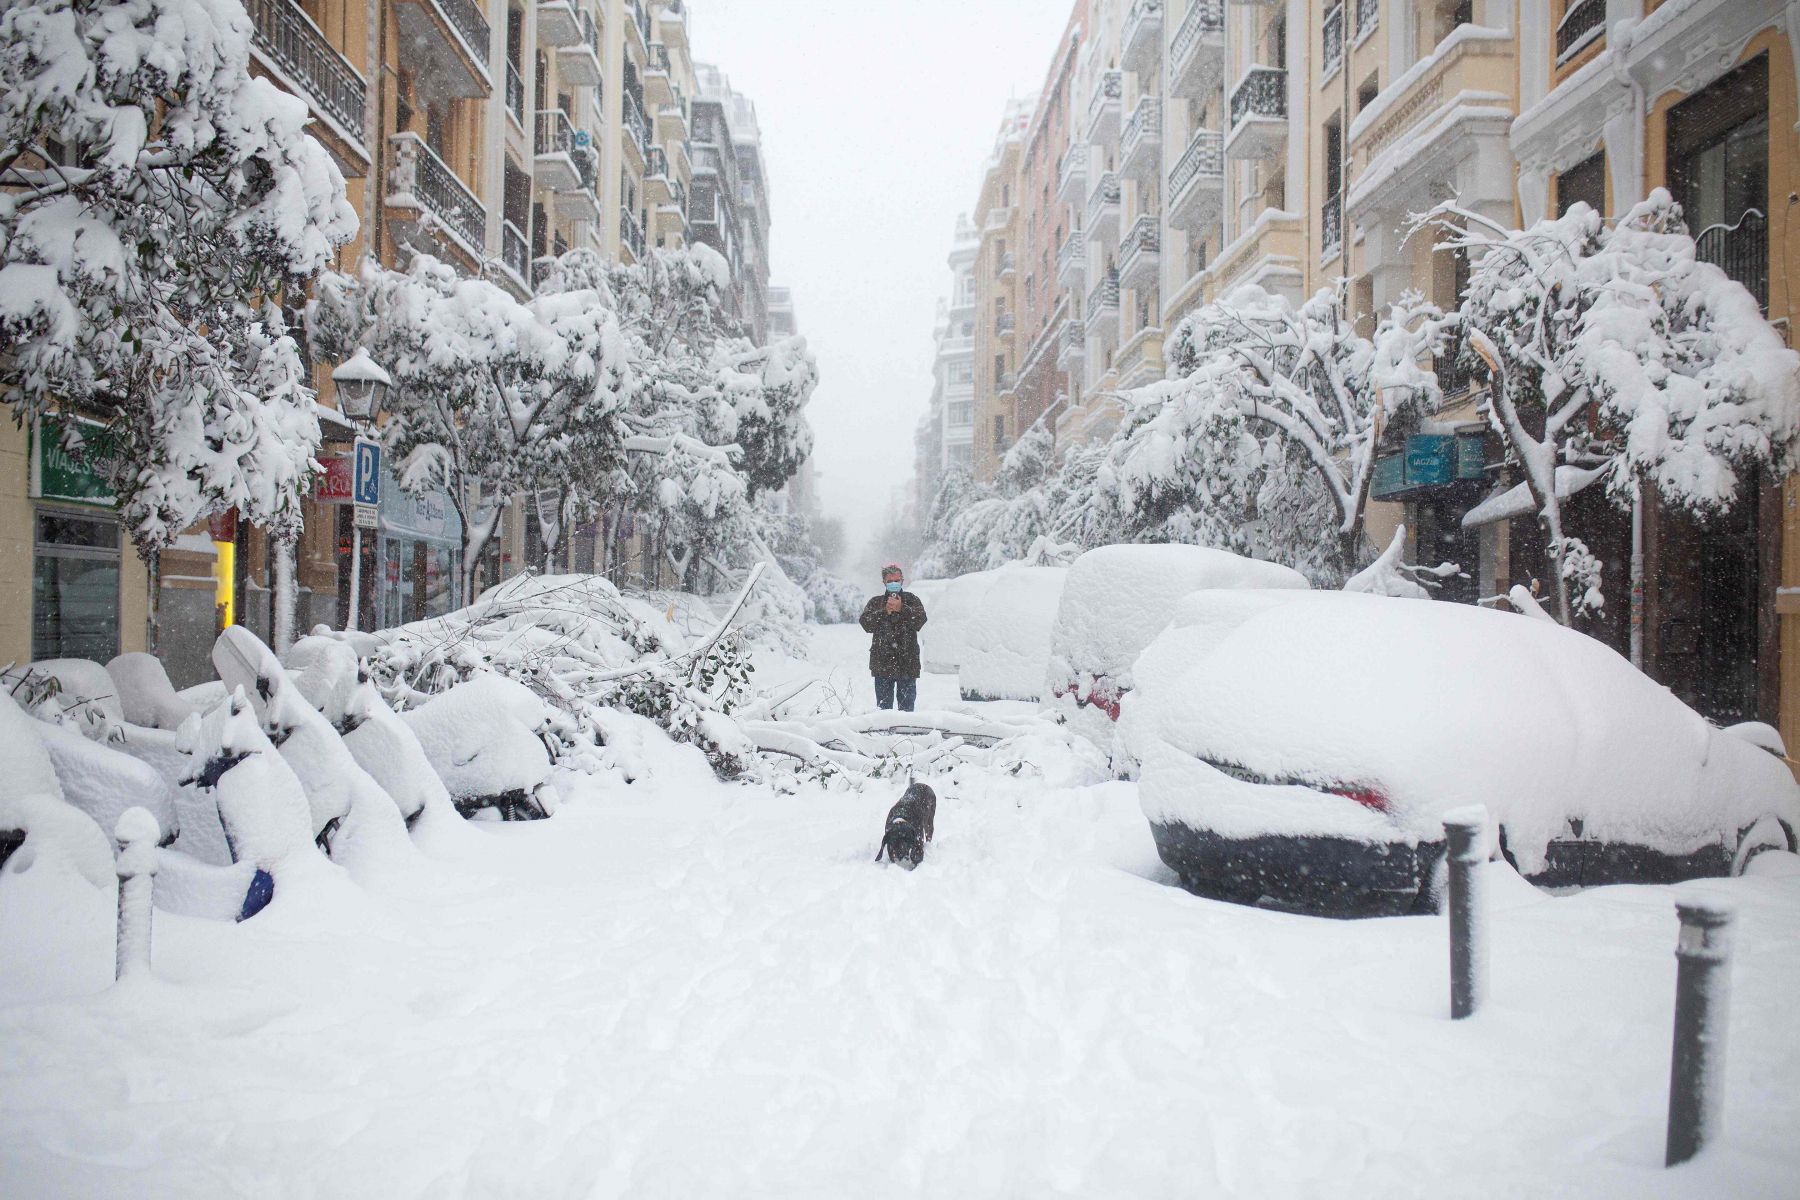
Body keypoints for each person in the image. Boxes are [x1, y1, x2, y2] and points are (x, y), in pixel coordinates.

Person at [859, 564, 928, 712]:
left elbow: (920, 620)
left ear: (902, 580)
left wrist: (901, 608)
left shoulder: (911, 600)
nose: (894, 584)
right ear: (884, 582)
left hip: (907, 663)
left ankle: (907, 735)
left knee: (907, 711)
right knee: (883, 711)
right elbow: (866, 624)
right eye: (890, 581)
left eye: (897, 580)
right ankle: (884, 735)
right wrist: (884, 612)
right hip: (882, 663)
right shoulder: (876, 602)